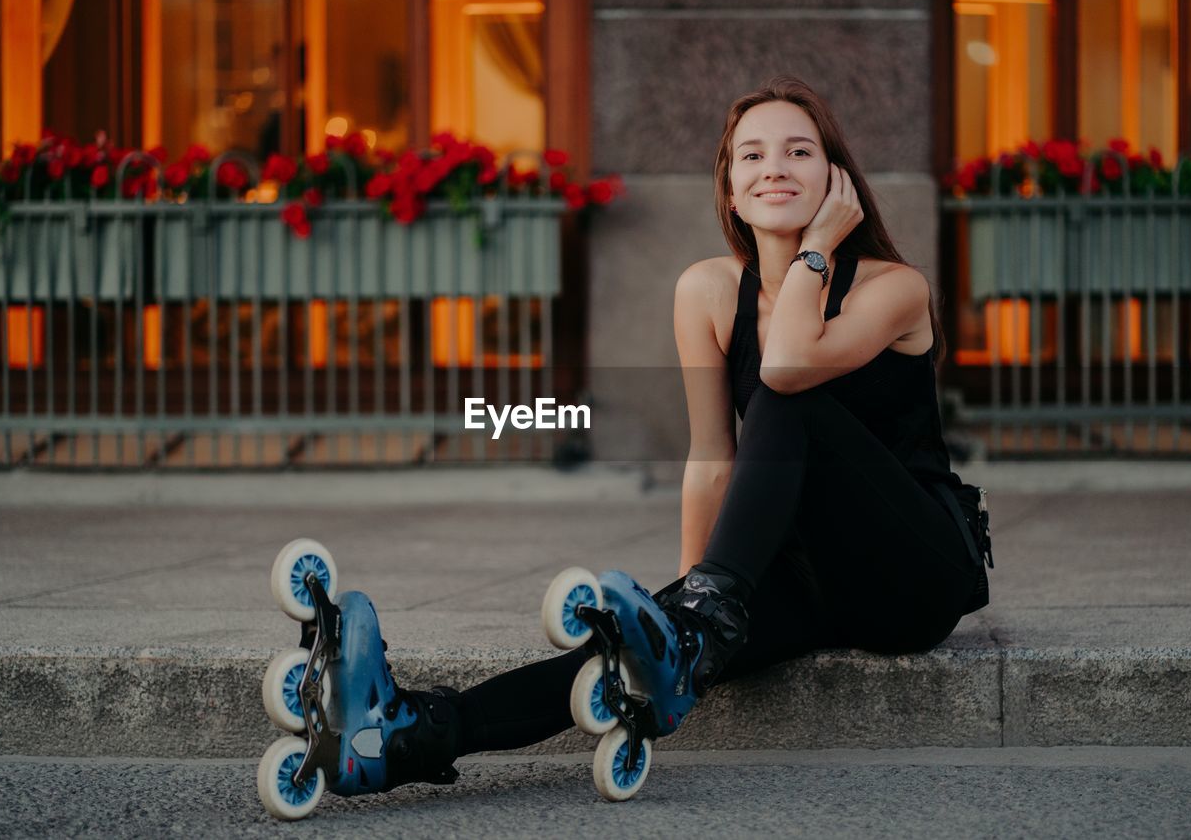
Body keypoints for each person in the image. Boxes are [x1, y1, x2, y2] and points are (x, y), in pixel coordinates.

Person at [263, 75, 992, 814]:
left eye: (799, 151)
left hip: (914, 572)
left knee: (784, 393)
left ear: (837, 181)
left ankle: (706, 617)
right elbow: (711, 457)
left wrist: (819, 249)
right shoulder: (708, 291)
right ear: (731, 193)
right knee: (617, 651)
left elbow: (788, 364)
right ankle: (407, 735)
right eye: (752, 156)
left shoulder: (893, 287)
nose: (774, 166)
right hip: (808, 573)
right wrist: (679, 614)